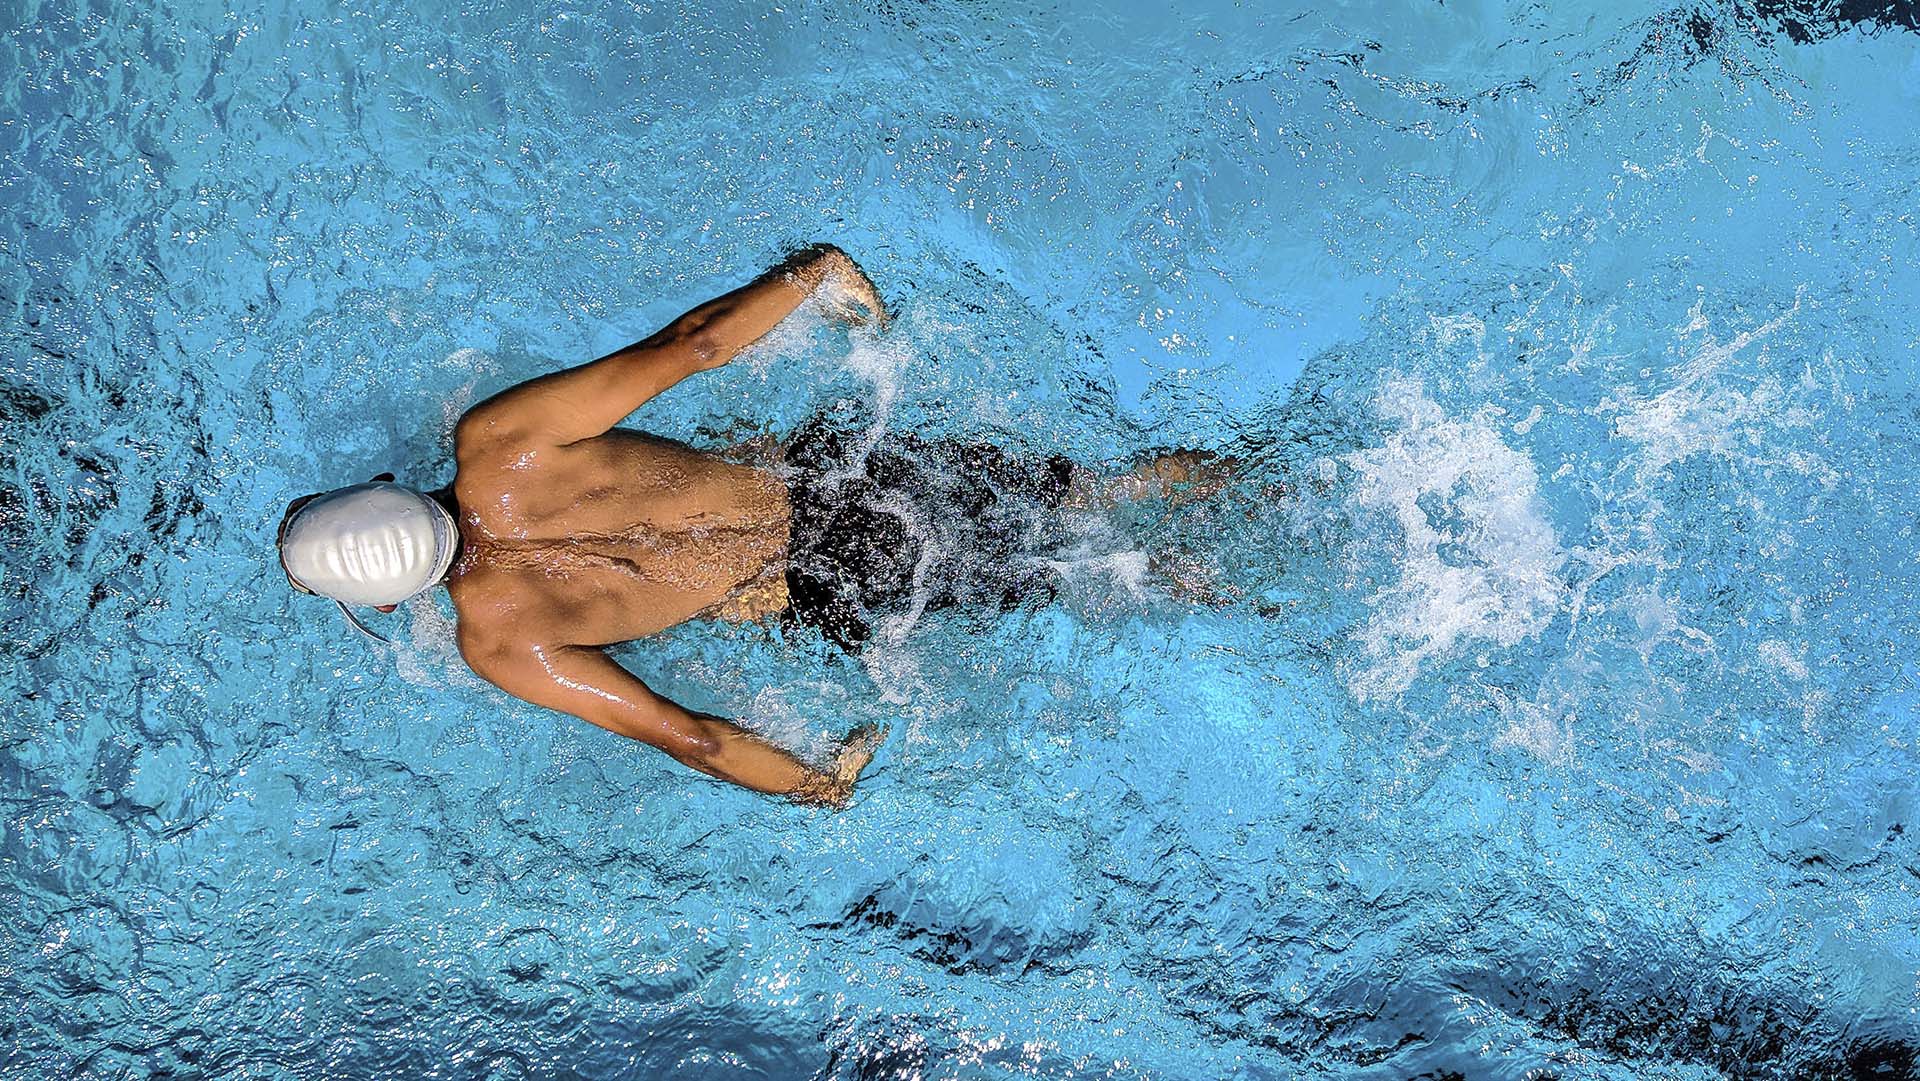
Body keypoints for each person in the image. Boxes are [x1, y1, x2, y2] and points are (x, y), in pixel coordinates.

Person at [277, 245, 1237, 806]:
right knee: (1091, 493)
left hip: (837, 584)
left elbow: (689, 737)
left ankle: (1229, 587)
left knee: (1085, 573)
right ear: (379, 484)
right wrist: (812, 274)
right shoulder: (499, 441)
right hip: (843, 485)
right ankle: (1265, 481)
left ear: (393, 595)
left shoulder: (498, 639)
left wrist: (815, 784)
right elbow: (690, 347)